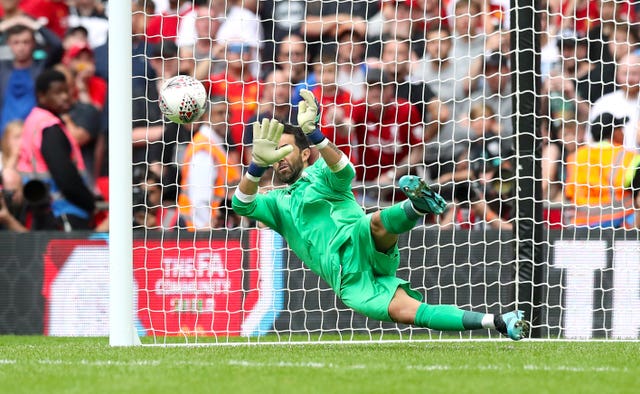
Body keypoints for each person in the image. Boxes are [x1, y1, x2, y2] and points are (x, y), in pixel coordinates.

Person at [231, 89, 529, 340]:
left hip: (360, 239)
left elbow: (344, 168)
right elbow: (241, 204)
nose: (279, 159)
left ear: (305, 154)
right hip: (348, 280)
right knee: (412, 312)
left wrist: (314, 133)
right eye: (274, 153)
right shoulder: (275, 203)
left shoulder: (320, 174)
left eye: (285, 150)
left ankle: (416, 206)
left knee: (371, 223)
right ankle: (499, 322)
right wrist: (256, 165)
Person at [17, 69, 95, 230]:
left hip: (42, 212)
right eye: (58, 93)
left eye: (66, 90)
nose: (65, 96)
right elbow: (65, 176)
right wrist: (89, 202)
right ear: (42, 96)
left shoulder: (34, 120)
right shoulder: (49, 128)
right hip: (63, 213)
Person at [565, 112, 640, 228]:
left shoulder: (575, 156)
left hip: (581, 222)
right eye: (620, 129)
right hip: (618, 220)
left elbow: (569, 192)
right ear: (614, 133)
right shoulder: (628, 156)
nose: (623, 133)